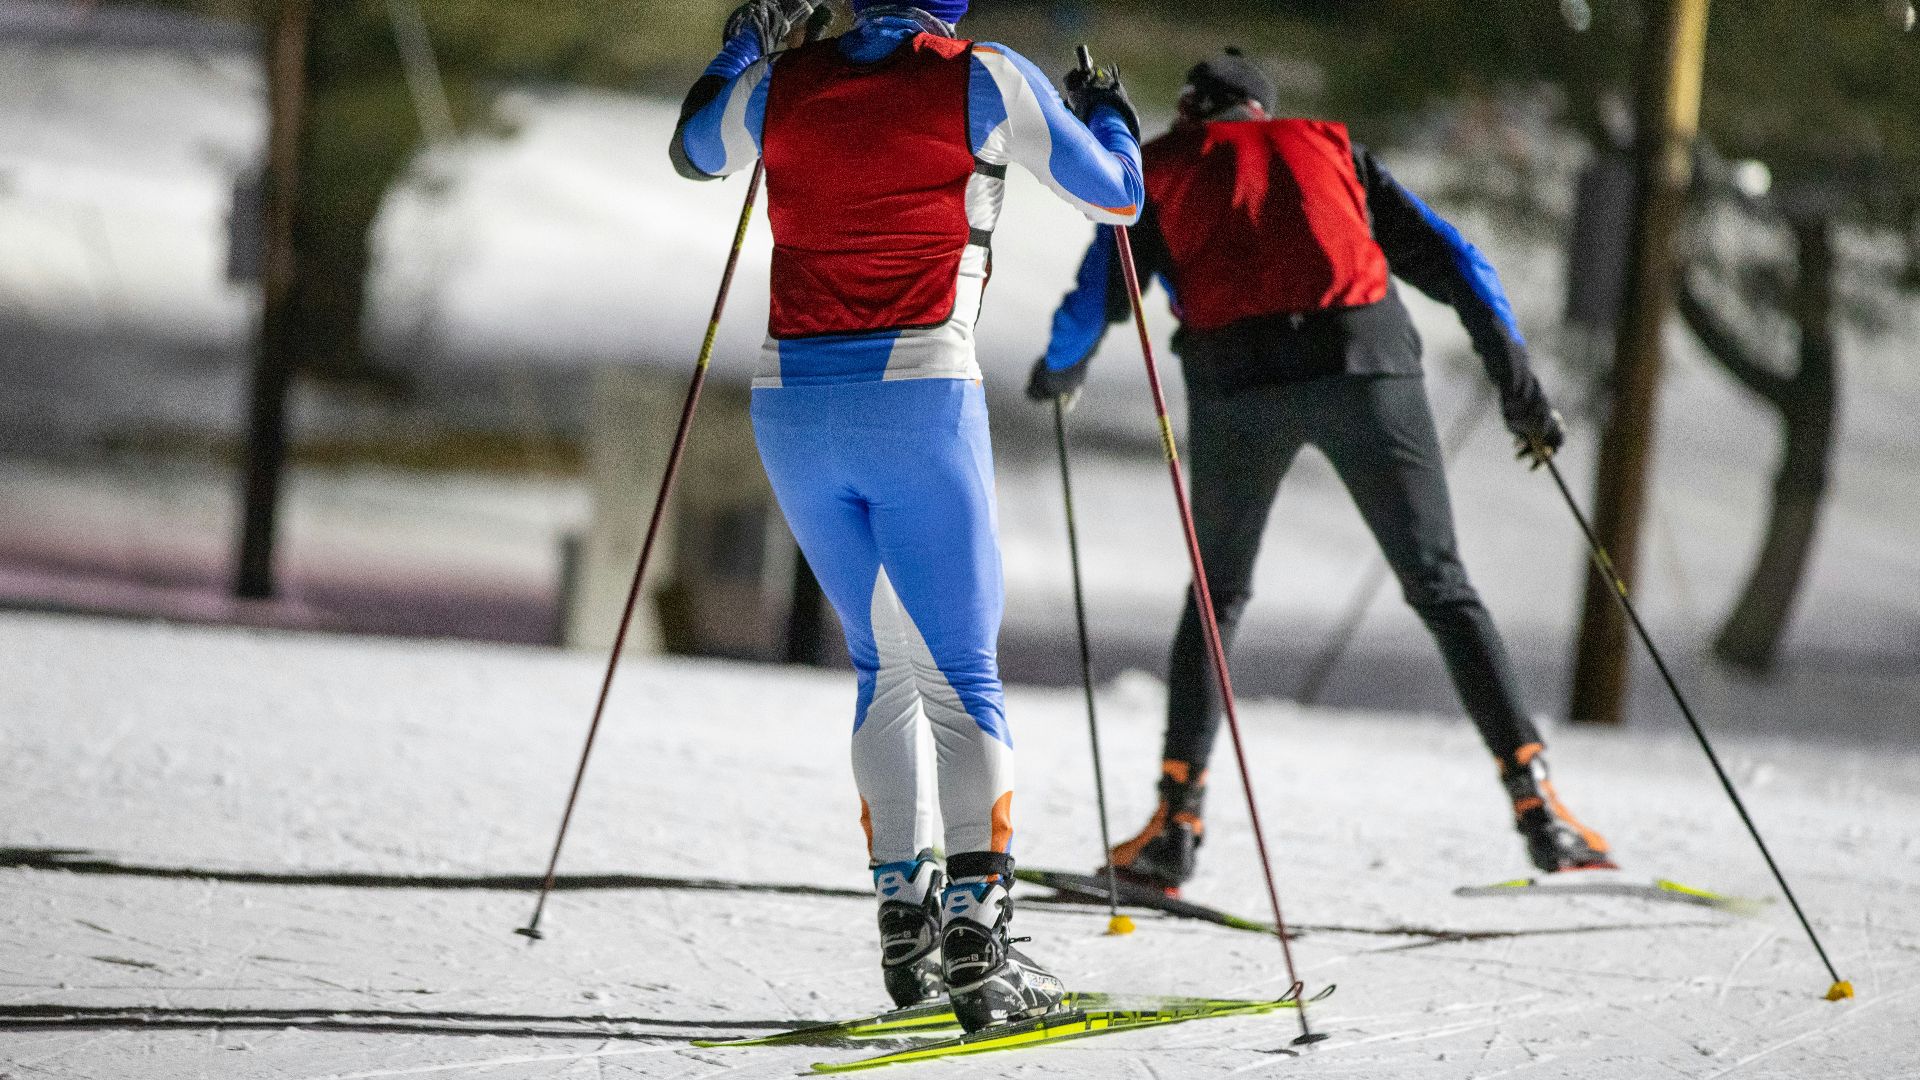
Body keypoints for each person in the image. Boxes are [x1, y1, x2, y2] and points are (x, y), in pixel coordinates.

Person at [1029, 49, 1615, 894]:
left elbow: (1100, 293)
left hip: (1239, 385)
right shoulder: (1333, 149)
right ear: (1263, 112)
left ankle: (1175, 825)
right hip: (1365, 364)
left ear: (1194, 108)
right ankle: (1540, 807)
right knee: (1440, 584)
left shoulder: (1161, 166)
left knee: (1217, 594)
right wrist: (1517, 384)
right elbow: (1455, 262)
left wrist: (1060, 368)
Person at [671, 0, 1143, 1029]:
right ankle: (979, 940)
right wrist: (1110, 114)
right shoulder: (982, 74)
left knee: (885, 667)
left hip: (793, 405)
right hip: (919, 394)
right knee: (961, 676)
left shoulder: (790, 80)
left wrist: (747, 48)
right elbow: (1119, 202)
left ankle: (905, 922)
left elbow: (695, 148)